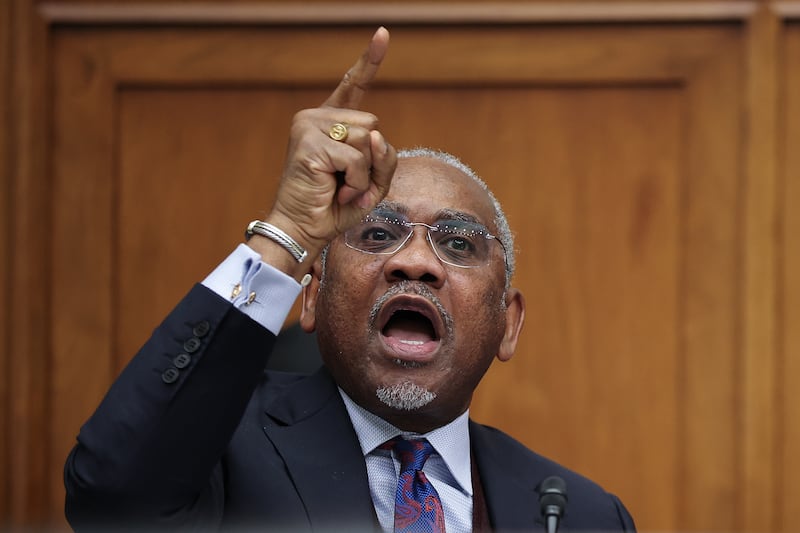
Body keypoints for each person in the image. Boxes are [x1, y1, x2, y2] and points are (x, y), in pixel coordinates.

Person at [63, 27, 636, 532]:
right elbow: (112, 497)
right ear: (311, 294)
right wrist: (287, 231)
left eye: (458, 244)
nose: (415, 262)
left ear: (507, 324)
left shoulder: (580, 514)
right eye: (379, 235)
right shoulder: (215, 450)